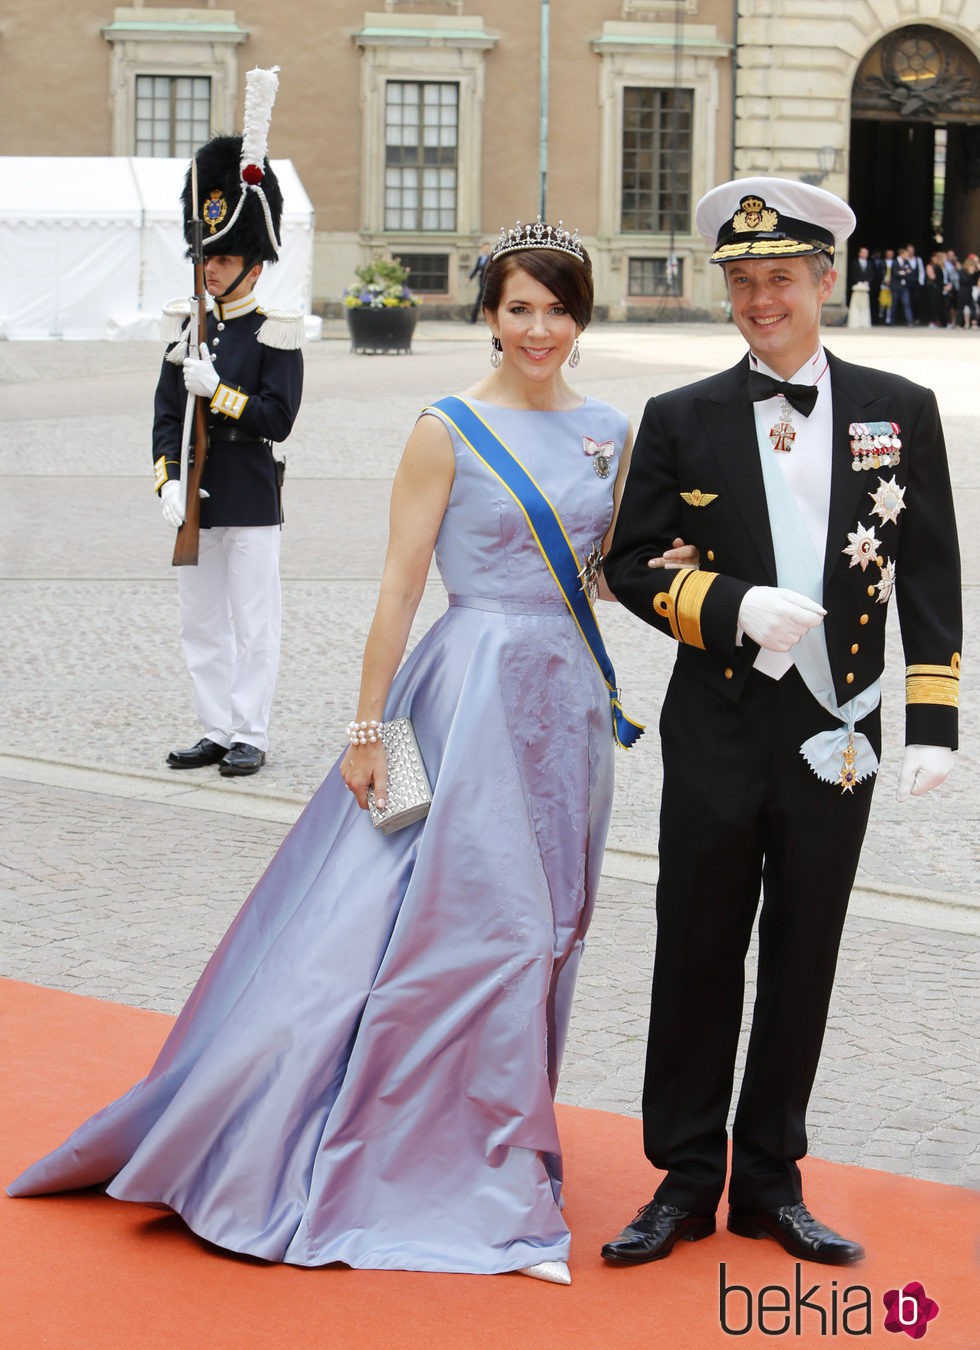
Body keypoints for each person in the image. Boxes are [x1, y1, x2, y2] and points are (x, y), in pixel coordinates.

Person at [7, 217, 690, 1282]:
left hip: (564, 713)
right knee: (434, 919)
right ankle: (420, 1150)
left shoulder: (612, 427)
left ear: (580, 316)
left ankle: (494, 1128)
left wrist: (660, 568)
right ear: (488, 314)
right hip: (452, 703)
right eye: (519, 307)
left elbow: (590, 574)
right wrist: (366, 734)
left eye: (557, 308)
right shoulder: (444, 426)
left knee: (549, 923)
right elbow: (399, 587)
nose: (539, 327)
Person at [601, 177, 961, 1270]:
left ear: (823, 281)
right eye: (743, 281)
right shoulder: (678, 416)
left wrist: (934, 719)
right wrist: (726, 607)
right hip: (714, 719)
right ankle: (681, 1179)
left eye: (780, 280)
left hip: (835, 728)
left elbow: (929, 564)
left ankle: (767, 1181)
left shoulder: (900, 407)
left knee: (803, 951)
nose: (761, 300)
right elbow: (623, 562)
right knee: (697, 947)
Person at [157, 72, 304, 778]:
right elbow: (163, 417)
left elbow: (279, 419)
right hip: (194, 498)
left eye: (222, 258)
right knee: (201, 624)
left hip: (249, 493)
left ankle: (251, 731)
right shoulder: (184, 330)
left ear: (252, 262)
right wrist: (165, 478)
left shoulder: (277, 334)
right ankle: (214, 726)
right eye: (205, 258)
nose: (210, 269)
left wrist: (220, 393)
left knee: (254, 622)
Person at [468, 240, 492, 321]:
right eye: (485, 248)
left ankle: (488, 319)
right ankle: (473, 318)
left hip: (487, 283)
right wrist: (470, 277)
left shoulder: (490, 259)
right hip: (481, 283)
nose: (486, 249)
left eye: (487, 248)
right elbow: (476, 269)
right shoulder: (480, 258)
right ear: (482, 248)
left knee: (486, 301)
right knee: (479, 301)